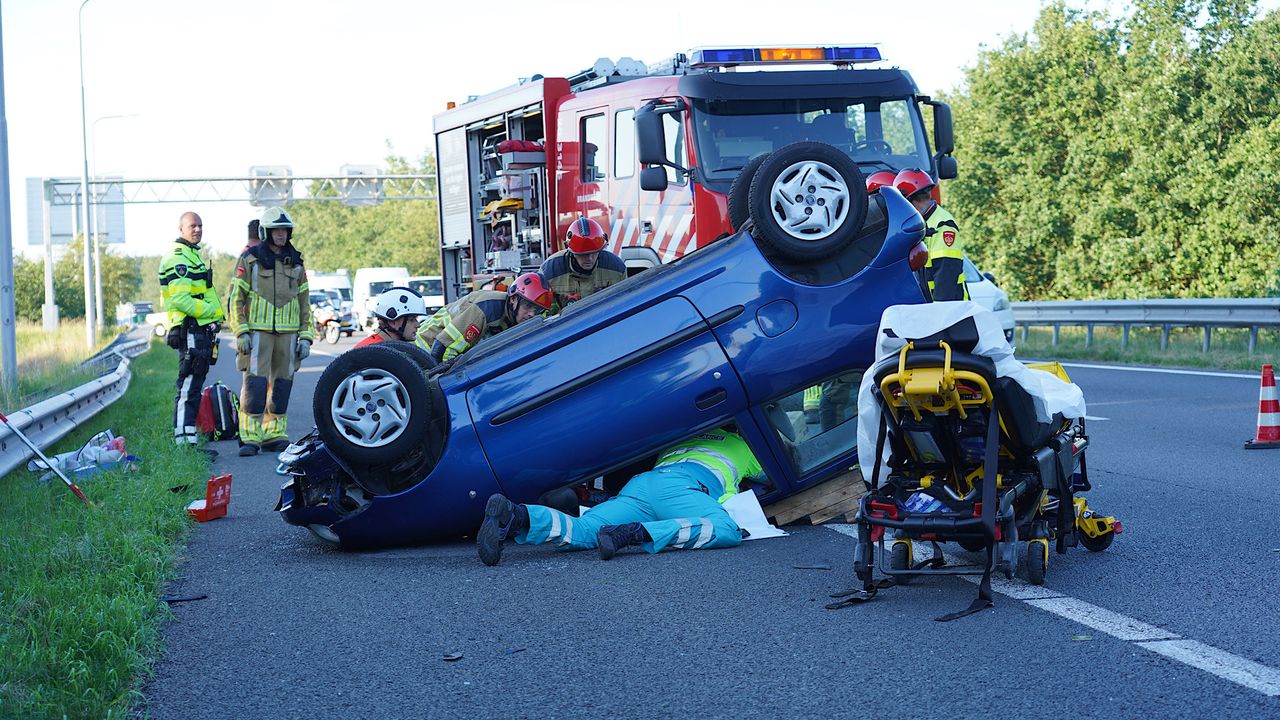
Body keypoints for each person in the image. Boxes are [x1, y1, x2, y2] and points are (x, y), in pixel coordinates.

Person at [476, 428, 764, 566]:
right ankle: (635, 534)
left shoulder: (683, 437)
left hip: (641, 486)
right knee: (727, 529)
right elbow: (775, 470)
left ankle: (516, 515)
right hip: (683, 488)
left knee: (585, 530)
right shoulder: (742, 445)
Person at [229, 206, 313, 456]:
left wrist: (306, 336)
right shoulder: (250, 259)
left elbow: (304, 302)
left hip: (288, 335)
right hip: (258, 332)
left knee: (282, 385)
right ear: (266, 232)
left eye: (285, 230)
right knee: (255, 383)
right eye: (276, 230)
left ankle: (274, 434)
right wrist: (241, 331)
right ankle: (250, 436)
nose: (281, 235)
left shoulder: (297, 262)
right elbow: (236, 297)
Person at [159, 211, 224, 456]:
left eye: (200, 225)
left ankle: (189, 441)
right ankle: (183, 444)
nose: (197, 229)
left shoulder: (192, 255)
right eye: (192, 226)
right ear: (181, 229)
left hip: (199, 330)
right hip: (191, 328)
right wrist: (210, 312)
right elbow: (182, 300)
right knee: (188, 386)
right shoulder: (179, 259)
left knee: (195, 385)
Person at [415, 271, 552, 362]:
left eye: (538, 309)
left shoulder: (516, 317)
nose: (532, 314)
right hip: (424, 351)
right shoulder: (486, 309)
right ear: (513, 299)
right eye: (527, 306)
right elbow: (444, 347)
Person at [893, 168, 967, 302]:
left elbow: (946, 274)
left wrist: (939, 314)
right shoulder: (923, 223)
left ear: (908, 200)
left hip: (950, 312)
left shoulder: (942, 225)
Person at [539, 216, 627, 309]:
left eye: (594, 253)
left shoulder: (616, 268)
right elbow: (542, 312)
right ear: (571, 252)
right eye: (583, 254)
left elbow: (624, 304)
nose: (589, 258)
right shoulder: (549, 271)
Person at [355, 287, 430, 348]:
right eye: (411, 320)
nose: (418, 325)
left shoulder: (388, 348)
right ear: (393, 322)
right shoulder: (373, 351)